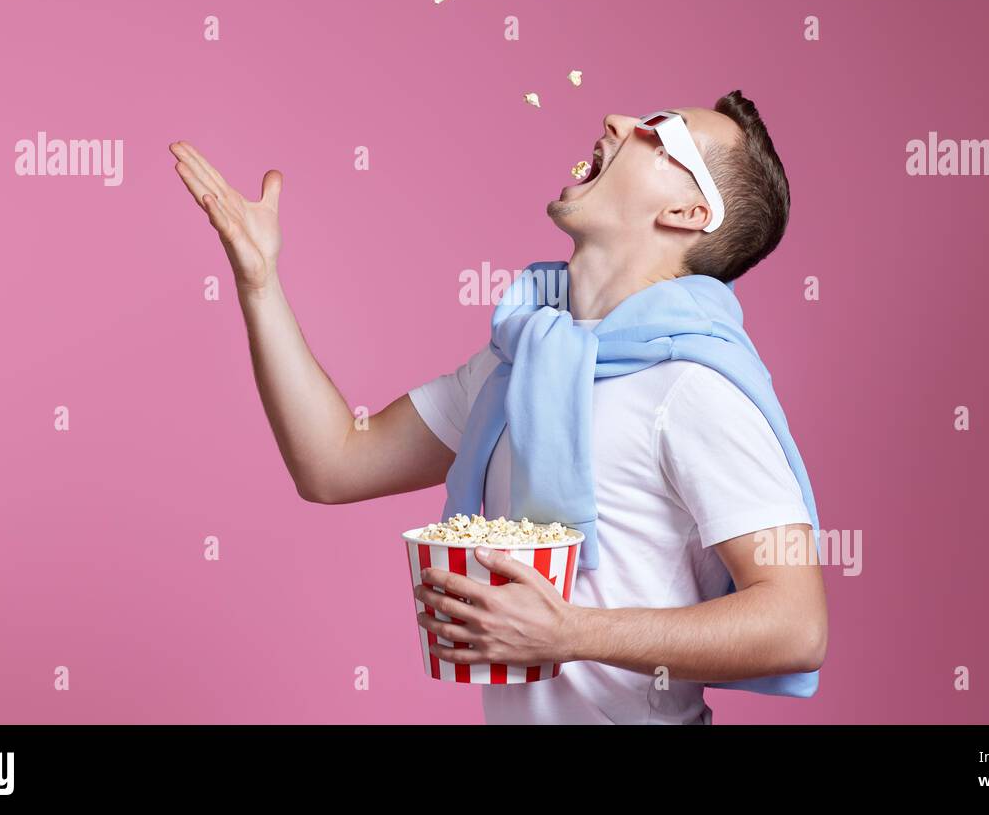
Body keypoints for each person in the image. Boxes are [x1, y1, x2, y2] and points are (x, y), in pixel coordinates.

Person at [168, 90, 827, 724]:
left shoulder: (693, 386)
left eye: (661, 133)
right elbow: (333, 462)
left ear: (687, 213)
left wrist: (570, 632)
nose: (619, 120)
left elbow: (796, 625)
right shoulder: (520, 365)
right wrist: (260, 281)